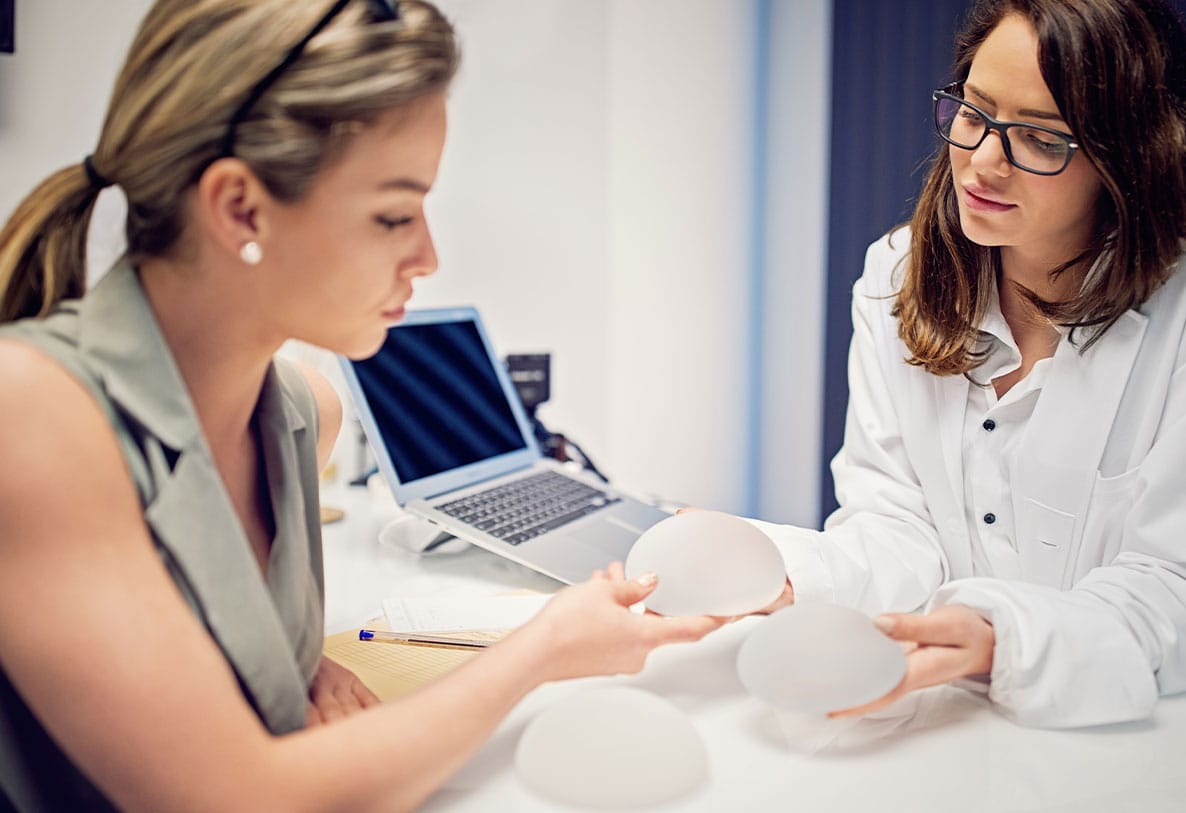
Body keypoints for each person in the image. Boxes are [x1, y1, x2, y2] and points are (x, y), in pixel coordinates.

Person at [0, 1, 721, 810]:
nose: (428, 255)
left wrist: (288, 663)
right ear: (240, 208)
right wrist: (542, 648)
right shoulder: (30, 415)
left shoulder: (306, 413)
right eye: (392, 215)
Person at [748, 0, 1186, 729]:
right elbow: (894, 520)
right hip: (943, 720)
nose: (982, 160)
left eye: (1040, 139)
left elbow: (1170, 592)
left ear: (1128, 158)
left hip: (1133, 741)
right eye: (974, 113)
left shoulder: (1174, 324)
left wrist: (1003, 639)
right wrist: (784, 572)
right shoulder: (896, 275)